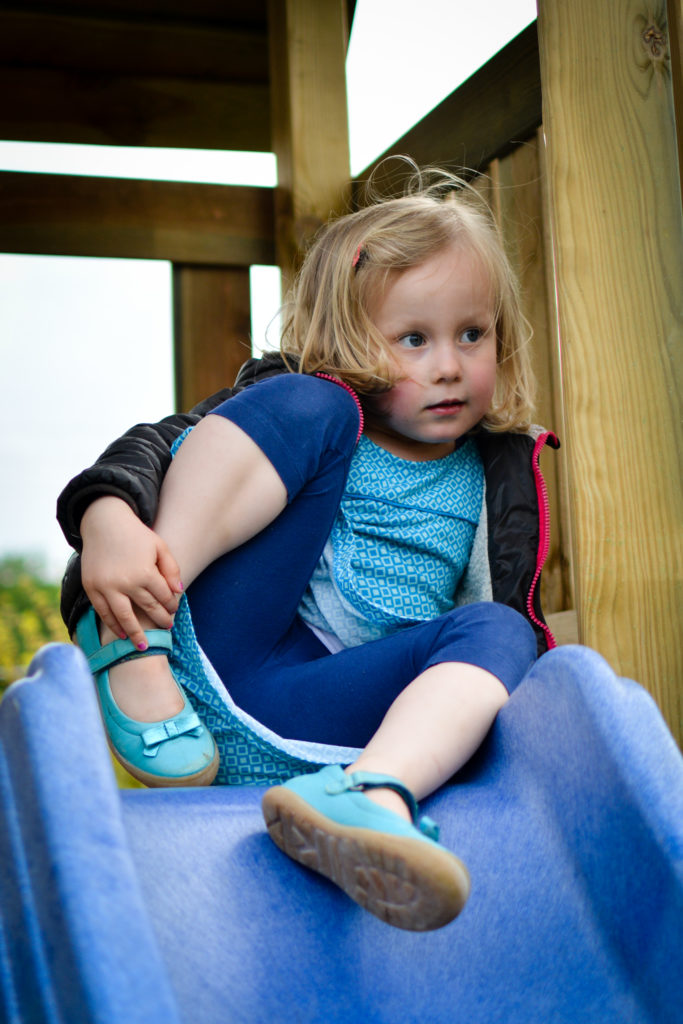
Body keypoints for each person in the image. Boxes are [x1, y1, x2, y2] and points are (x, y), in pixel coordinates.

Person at [57, 170, 558, 932]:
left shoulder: (494, 469)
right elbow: (162, 450)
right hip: (222, 656)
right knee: (312, 404)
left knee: (500, 629)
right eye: (413, 340)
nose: (449, 366)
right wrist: (108, 516)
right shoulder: (316, 407)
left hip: (332, 727)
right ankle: (132, 626)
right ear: (352, 338)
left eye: (471, 334)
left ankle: (370, 800)